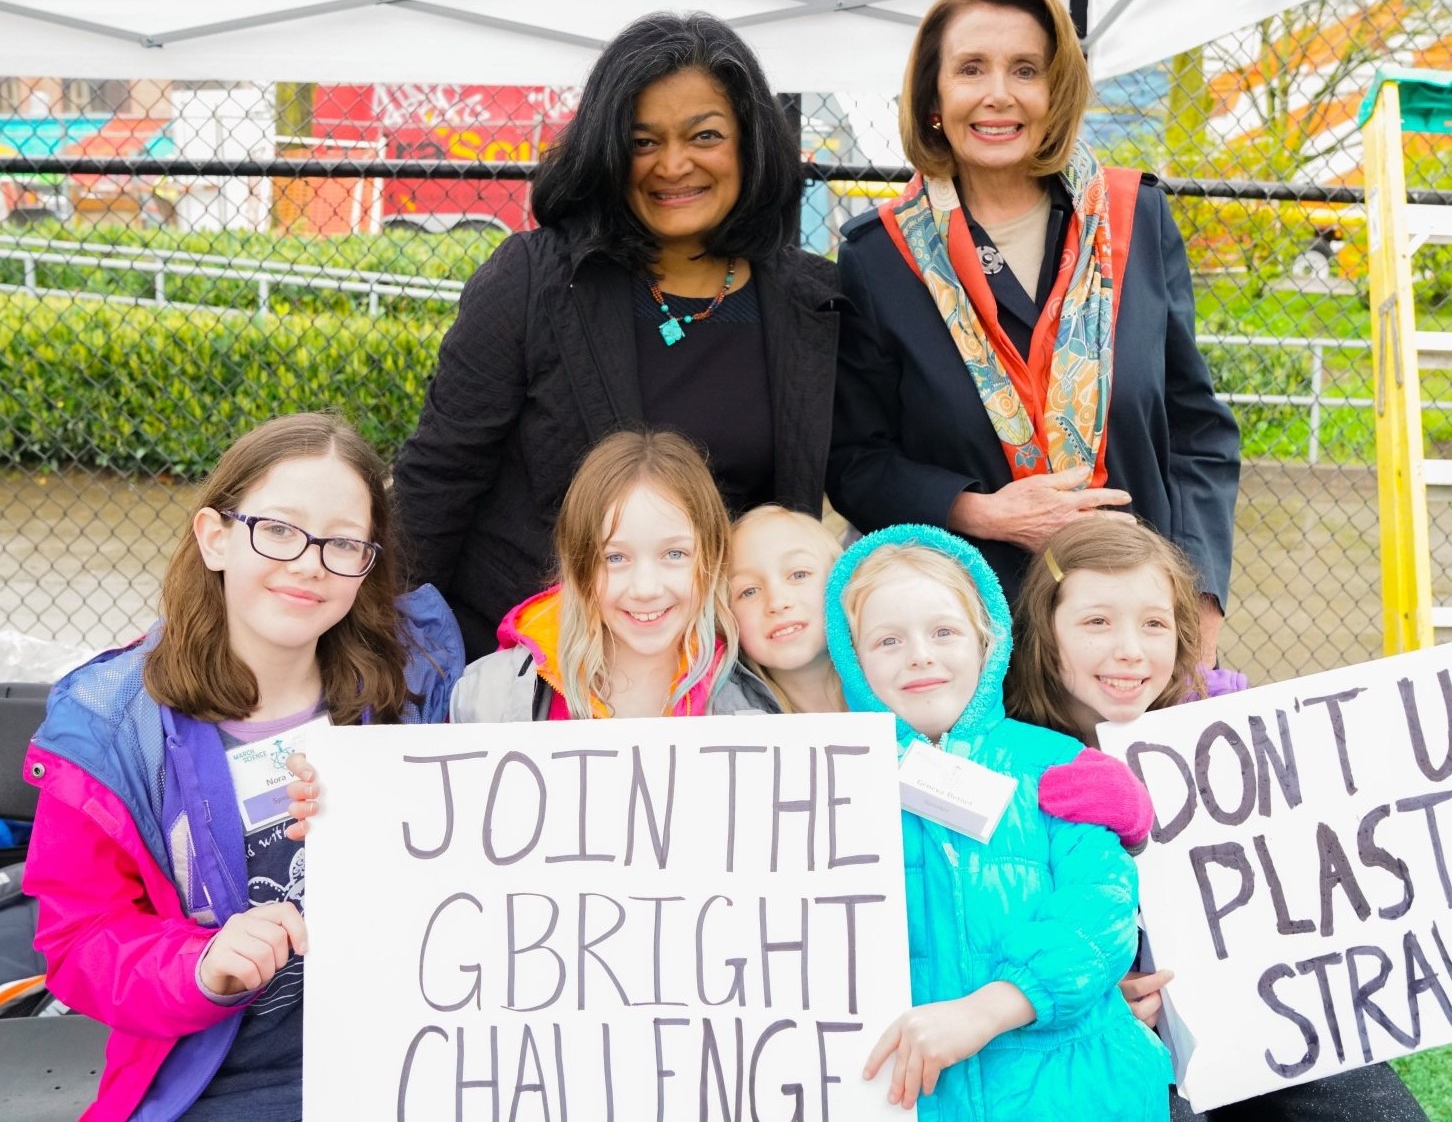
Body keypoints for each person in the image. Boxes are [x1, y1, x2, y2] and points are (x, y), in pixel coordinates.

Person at [1006, 516, 1452, 1122]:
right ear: (1044, 630)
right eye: (1096, 622)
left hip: (1273, 1033)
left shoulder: (1234, 731)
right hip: (1111, 1051)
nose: (1130, 650)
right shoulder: (1004, 767)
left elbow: (1419, 824)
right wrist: (1094, 1005)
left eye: (1154, 624)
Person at [21, 412, 462, 1121]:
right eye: (280, 529)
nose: (310, 562)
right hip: (215, 1081)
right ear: (215, 535)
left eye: (343, 542)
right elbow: (79, 940)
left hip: (405, 1061)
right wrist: (203, 966)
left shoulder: (421, 685)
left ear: (369, 562)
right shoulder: (111, 730)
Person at [825, 0, 1240, 667]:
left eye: (1026, 69)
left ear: (1058, 92)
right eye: (971, 69)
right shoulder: (879, 258)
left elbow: (1197, 434)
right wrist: (980, 511)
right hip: (974, 647)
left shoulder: (1136, 219)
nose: (998, 93)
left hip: (1138, 646)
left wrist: (1197, 603)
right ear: (934, 97)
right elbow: (855, 462)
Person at [396, 11, 842, 660]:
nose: (674, 163)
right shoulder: (533, 282)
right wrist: (389, 661)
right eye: (642, 141)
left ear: (750, 143)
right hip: (528, 666)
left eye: (705, 135)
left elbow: (867, 472)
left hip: (718, 671)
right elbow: (435, 483)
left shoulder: (812, 302)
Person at [827, 523, 1171, 1119]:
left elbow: (1103, 908)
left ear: (987, 642)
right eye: (888, 641)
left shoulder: (1056, 765)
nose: (920, 655)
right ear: (852, 661)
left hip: (1076, 1094)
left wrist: (991, 1008)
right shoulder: (829, 788)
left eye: (944, 631)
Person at [448, 429, 777, 722]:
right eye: (615, 557)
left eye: (674, 554)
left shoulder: (753, 707)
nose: (645, 588)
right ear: (580, 568)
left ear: (712, 557)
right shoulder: (490, 699)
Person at [726, 504, 846, 714]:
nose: (777, 602)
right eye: (749, 591)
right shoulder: (725, 720)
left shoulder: (904, 682)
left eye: (799, 575)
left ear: (842, 580)